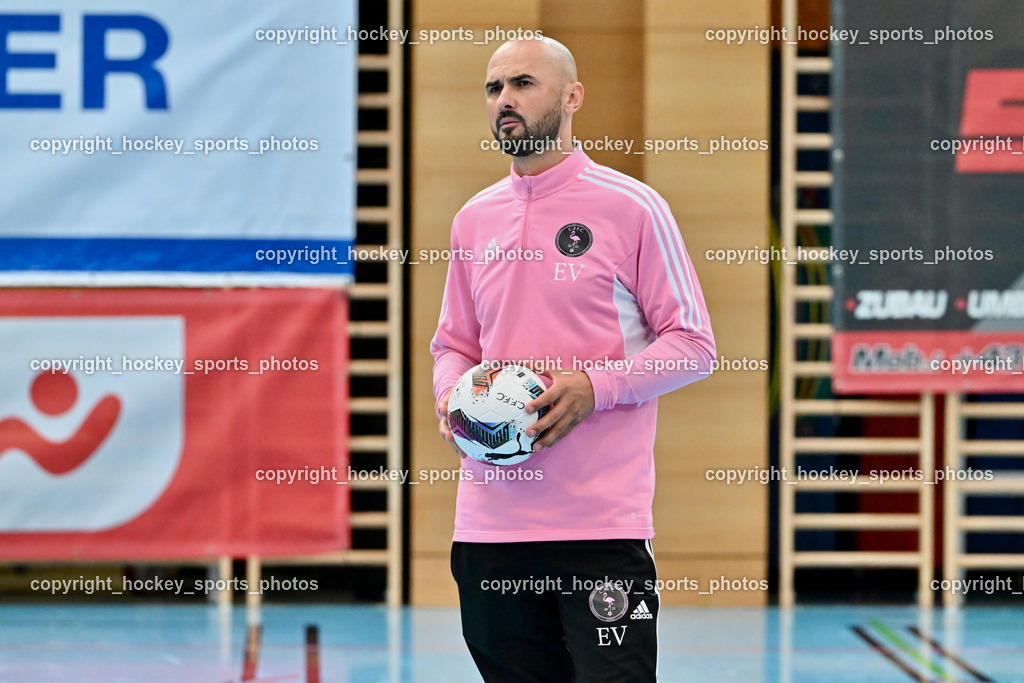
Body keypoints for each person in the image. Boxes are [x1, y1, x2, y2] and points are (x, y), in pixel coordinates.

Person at [430, 36, 716, 682]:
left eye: (523, 83)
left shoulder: (633, 208)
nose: (504, 100)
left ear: (572, 96)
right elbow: (453, 344)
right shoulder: (473, 220)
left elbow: (694, 344)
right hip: (490, 529)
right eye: (493, 87)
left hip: (599, 531)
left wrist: (597, 386)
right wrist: (451, 399)